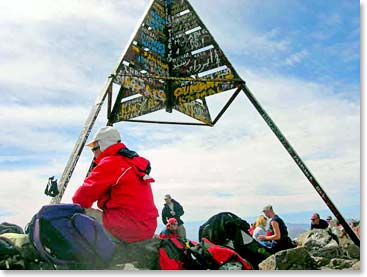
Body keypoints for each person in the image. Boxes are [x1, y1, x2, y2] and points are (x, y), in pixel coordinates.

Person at [72, 126, 159, 243]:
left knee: (75, 215)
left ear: (103, 146)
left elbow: (80, 198)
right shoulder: (131, 162)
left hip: (128, 227)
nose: (93, 153)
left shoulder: (111, 163)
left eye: (94, 148)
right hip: (146, 227)